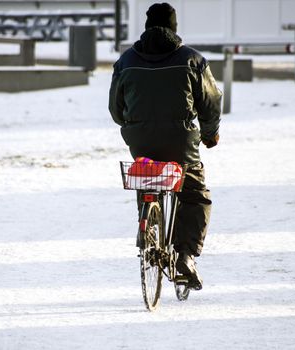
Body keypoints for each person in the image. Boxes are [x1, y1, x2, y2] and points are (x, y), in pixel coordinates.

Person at [108, 2, 222, 290]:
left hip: (140, 142)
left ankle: (148, 229)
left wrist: (134, 125)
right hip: (181, 145)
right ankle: (185, 256)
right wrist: (210, 134)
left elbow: (115, 109)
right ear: (174, 27)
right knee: (195, 194)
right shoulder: (192, 59)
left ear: (146, 27)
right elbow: (210, 103)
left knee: (148, 174)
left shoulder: (126, 61)